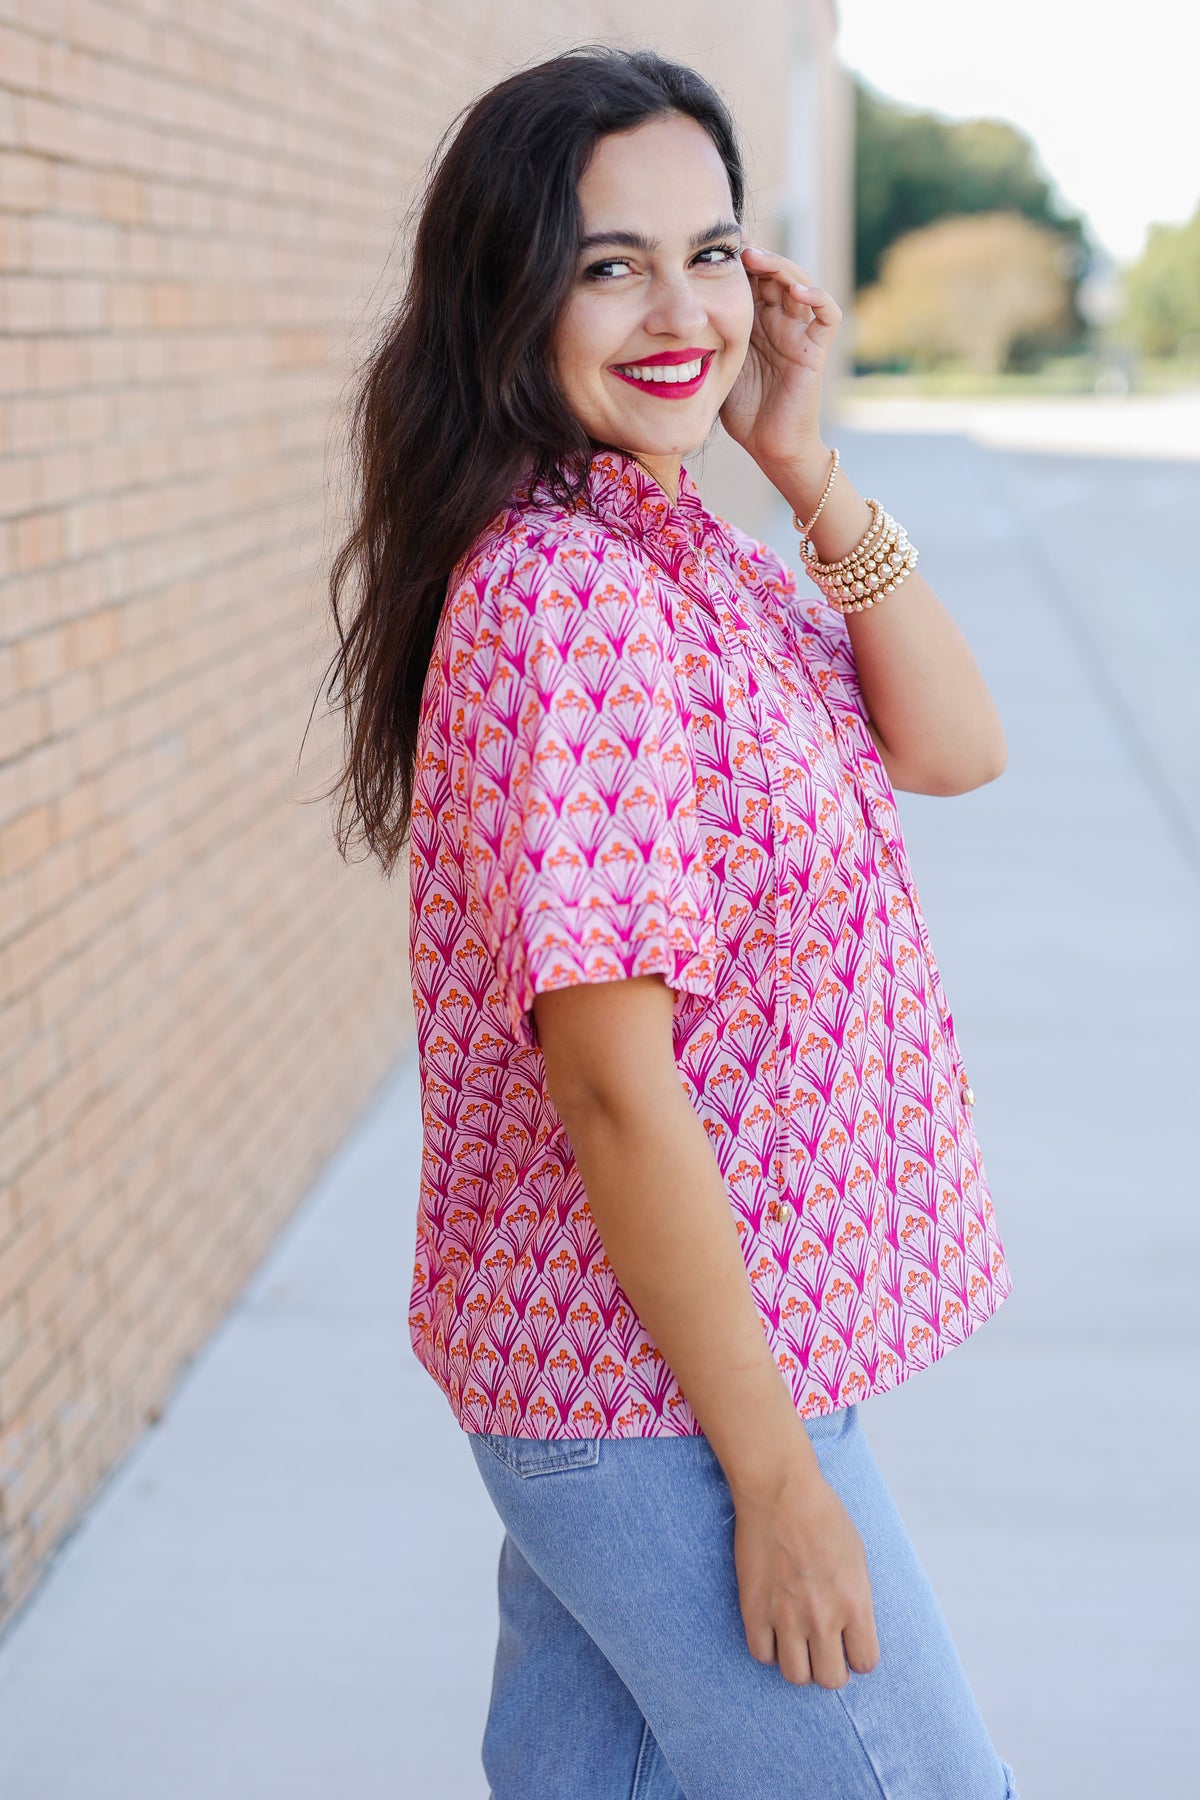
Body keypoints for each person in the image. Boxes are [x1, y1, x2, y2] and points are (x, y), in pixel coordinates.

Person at [323, 42, 1021, 1800]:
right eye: (605, 261)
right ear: (509, 293)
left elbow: (952, 745)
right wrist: (776, 1483)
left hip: (662, 1377)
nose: (678, 307)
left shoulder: (659, 539)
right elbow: (613, 1085)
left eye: (709, 251)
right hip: (673, 1411)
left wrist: (800, 458)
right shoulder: (571, 604)